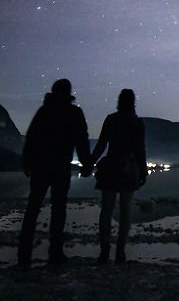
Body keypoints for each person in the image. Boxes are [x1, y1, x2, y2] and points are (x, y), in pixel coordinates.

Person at [17, 78, 92, 267]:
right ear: (68, 93)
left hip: (41, 166)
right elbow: (81, 139)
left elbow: (31, 138)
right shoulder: (74, 112)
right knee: (58, 210)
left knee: (33, 208)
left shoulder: (44, 111)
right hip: (60, 167)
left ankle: (24, 255)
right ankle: (55, 253)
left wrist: (27, 162)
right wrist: (86, 163)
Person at [92, 88, 147, 264]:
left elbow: (101, 145)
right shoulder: (137, 122)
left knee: (106, 210)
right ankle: (120, 251)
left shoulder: (111, 119)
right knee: (126, 211)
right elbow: (140, 149)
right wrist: (143, 171)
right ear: (133, 102)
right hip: (128, 169)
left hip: (110, 167)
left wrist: (90, 162)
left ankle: (104, 249)